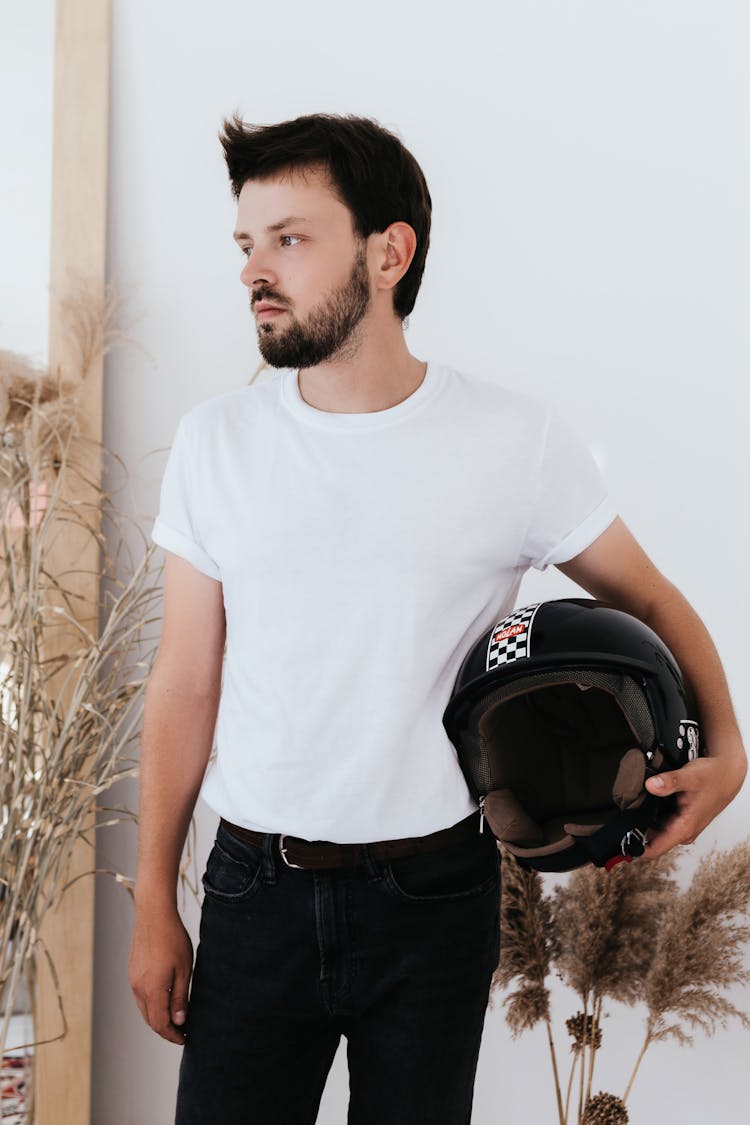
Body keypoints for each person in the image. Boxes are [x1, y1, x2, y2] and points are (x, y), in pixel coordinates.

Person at [128, 113, 746, 1124]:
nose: (254, 271)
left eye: (290, 238)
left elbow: (649, 596)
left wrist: (730, 751)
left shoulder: (513, 441)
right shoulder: (217, 443)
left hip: (435, 895)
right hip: (252, 891)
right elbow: (186, 681)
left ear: (389, 251)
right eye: (246, 244)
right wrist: (157, 900)